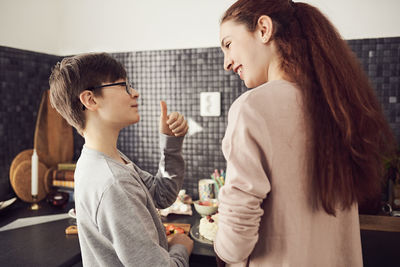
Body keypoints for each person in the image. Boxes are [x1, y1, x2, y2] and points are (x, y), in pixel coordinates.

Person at [214, 0, 396, 266]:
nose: (226, 63)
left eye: (228, 44)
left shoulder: (252, 107)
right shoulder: (338, 105)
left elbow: (235, 241)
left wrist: (221, 248)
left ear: (263, 29)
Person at [48, 52, 193, 266]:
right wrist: (181, 247)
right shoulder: (112, 182)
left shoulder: (102, 160)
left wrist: (171, 143)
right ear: (90, 99)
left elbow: (161, 195)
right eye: (123, 86)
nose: (135, 93)